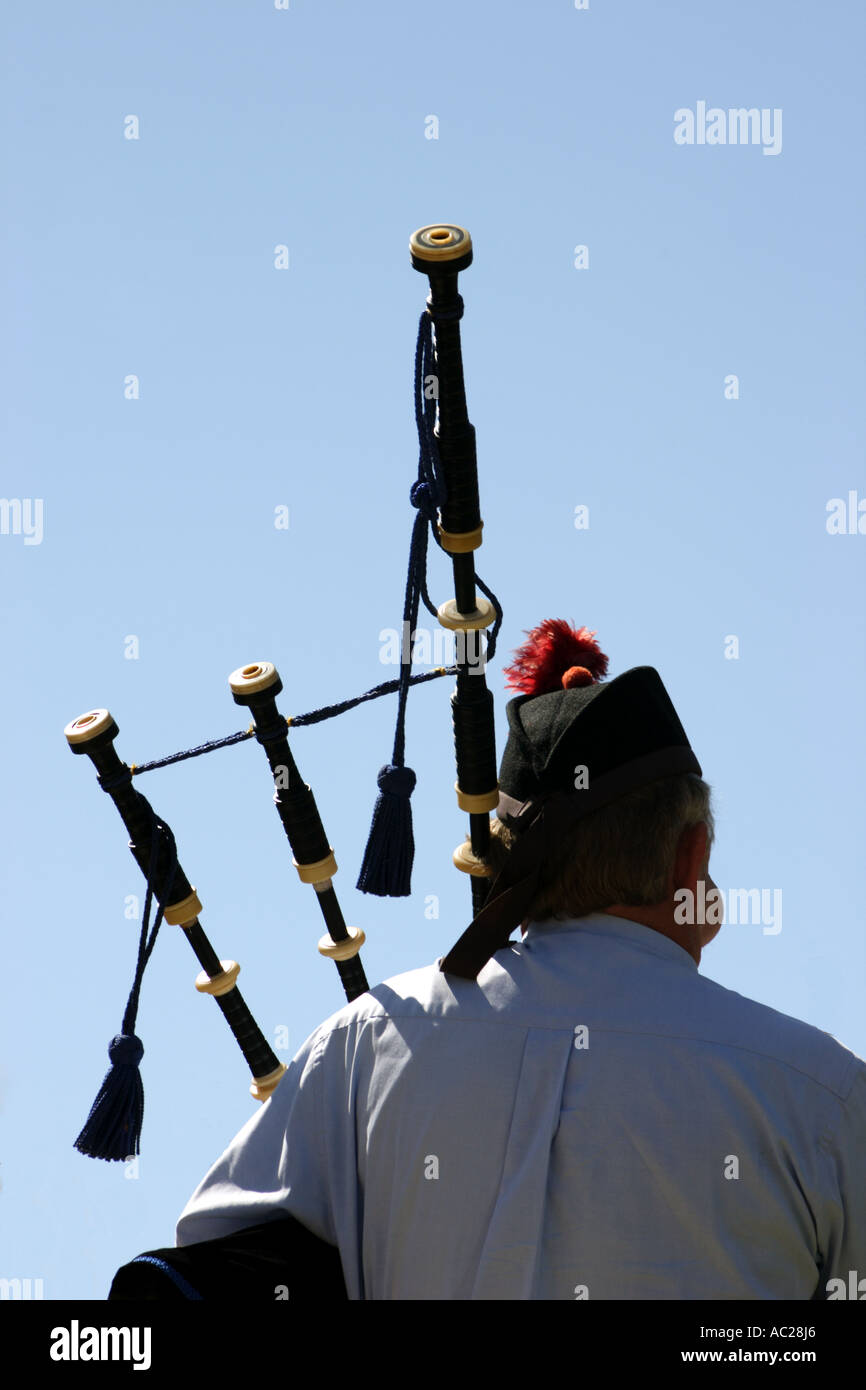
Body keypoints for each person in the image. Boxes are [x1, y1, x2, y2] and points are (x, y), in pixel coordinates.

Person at [171, 621, 866, 1300]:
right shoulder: (824, 1098)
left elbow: (201, 1279)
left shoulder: (366, 1042)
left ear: (504, 867)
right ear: (691, 855)